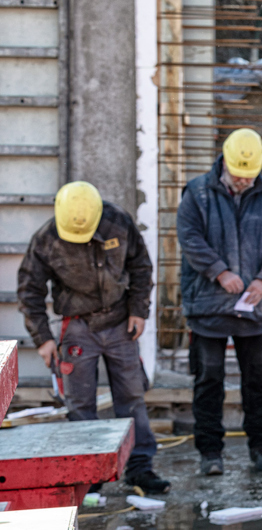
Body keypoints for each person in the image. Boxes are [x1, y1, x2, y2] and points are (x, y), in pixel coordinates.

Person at [18, 181, 170, 494]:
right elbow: (29, 290)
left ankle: (140, 467)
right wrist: (44, 339)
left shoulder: (119, 222)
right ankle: (89, 475)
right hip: (77, 327)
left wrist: (139, 310)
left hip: (120, 321)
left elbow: (141, 266)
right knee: (80, 404)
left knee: (131, 398)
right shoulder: (47, 238)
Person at [176, 128, 262, 475]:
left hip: (254, 310)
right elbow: (189, 236)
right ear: (224, 161)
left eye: (249, 177)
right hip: (209, 307)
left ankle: (261, 448)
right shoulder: (197, 193)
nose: (243, 182)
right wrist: (219, 272)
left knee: (257, 381)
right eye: (238, 177)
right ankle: (210, 453)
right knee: (208, 380)